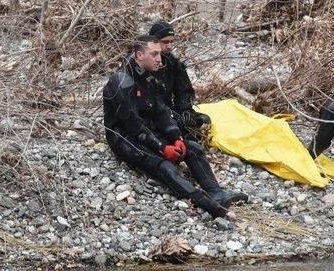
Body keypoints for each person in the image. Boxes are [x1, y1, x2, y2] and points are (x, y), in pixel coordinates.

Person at [103, 35, 246, 218]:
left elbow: (161, 112)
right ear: (139, 55)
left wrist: (176, 138)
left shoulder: (148, 77)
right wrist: (162, 148)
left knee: (192, 148)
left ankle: (217, 193)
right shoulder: (121, 82)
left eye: (159, 54)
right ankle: (203, 202)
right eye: (154, 54)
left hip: (146, 129)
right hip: (123, 137)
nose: (159, 59)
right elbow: (133, 125)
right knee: (165, 167)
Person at [148, 20, 213, 140]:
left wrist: (185, 109)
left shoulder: (172, 62)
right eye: (165, 42)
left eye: (171, 42)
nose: (169, 46)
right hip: (151, 114)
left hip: (169, 109)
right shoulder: (143, 63)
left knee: (203, 120)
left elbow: (184, 90)